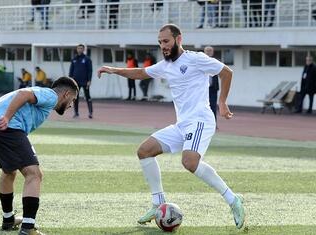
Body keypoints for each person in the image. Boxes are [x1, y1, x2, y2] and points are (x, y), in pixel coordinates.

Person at [97, 24, 245, 229]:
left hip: (200, 119)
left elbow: (226, 72)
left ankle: (232, 199)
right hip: (182, 124)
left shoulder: (195, 58)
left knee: (189, 162)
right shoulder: (165, 65)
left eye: (166, 41)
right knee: (144, 151)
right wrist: (114, 70)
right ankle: (157, 202)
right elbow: (141, 72)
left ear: (178, 39)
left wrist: (222, 102)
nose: (163, 46)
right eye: (160, 42)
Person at [0, 77, 79, 235]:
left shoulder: (18, 95)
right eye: (73, 100)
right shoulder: (51, 95)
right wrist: (7, 118)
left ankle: (8, 220)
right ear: (66, 94)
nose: (71, 105)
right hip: (9, 128)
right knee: (34, 174)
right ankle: (28, 227)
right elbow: (24, 94)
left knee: (9, 171)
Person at [69, 44, 93, 118]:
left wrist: (89, 80)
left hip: (85, 81)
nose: (79, 49)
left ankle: (90, 113)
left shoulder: (87, 59)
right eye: (78, 48)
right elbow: (71, 71)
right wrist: (70, 80)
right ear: (77, 49)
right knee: (75, 97)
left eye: (81, 48)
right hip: (76, 82)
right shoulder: (74, 59)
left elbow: (90, 70)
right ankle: (76, 113)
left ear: (83, 49)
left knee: (87, 96)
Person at [204, 46, 219, 124]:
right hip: (203, 89)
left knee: (213, 106)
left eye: (210, 51)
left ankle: (213, 124)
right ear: (204, 52)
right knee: (204, 106)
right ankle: (204, 123)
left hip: (213, 88)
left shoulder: (215, 62)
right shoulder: (201, 61)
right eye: (207, 51)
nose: (209, 52)